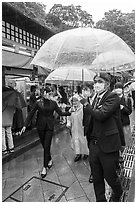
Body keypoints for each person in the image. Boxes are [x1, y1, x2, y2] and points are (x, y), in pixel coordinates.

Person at [83, 72, 123, 202]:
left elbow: (101, 115)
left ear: (107, 84)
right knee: (97, 178)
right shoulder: (95, 98)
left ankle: (118, 192)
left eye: (99, 82)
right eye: (95, 82)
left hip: (108, 145)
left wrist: (85, 104)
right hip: (94, 145)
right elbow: (91, 117)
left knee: (110, 176)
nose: (96, 85)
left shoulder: (113, 97)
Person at [21, 86, 71, 178]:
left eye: (51, 93)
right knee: (44, 146)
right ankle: (49, 158)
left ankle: (44, 167)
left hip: (49, 127)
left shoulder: (53, 103)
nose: (50, 95)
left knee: (47, 145)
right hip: (40, 126)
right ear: (44, 93)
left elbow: (60, 113)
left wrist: (70, 112)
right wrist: (25, 125)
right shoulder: (38, 103)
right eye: (48, 93)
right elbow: (31, 114)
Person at [67, 96, 89, 162]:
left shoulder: (83, 108)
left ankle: (86, 153)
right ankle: (78, 154)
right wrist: (69, 124)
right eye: (73, 101)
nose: (75, 102)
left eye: (76, 101)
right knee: (75, 141)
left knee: (83, 140)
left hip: (82, 127)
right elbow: (68, 117)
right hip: (74, 128)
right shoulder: (71, 109)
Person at [114, 82, 132, 146]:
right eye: (117, 88)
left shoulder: (127, 99)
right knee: (117, 141)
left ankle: (125, 153)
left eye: (120, 88)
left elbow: (129, 111)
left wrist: (123, 108)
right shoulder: (112, 99)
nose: (118, 89)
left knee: (126, 141)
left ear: (122, 89)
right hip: (115, 124)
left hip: (124, 123)